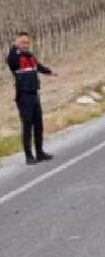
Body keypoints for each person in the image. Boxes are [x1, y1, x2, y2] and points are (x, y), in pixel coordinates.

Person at [7, 32, 54, 164]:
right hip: (24, 96)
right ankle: (29, 156)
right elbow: (11, 60)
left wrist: (49, 72)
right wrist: (15, 47)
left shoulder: (30, 56)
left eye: (27, 42)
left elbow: (38, 66)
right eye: (22, 42)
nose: (25, 45)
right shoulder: (15, 58)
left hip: (34, 94)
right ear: (17, 43)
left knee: (38, 125)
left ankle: (40, 152)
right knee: (27, 126)